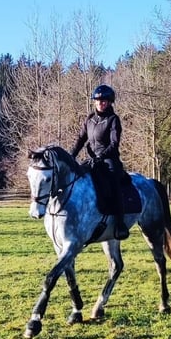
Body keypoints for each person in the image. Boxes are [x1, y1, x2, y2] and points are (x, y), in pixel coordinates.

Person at [71, 84, 130, 239]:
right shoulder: (89, 119)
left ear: (110, 102)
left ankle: (120, 223)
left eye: (104, 101)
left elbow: (114, 143)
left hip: (109, 160)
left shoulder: (113, 119)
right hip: (92, 160)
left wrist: (101, 156)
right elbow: (80, 139)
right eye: (97, 100)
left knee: (113, 183)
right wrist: (72, 155)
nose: (100, 103)